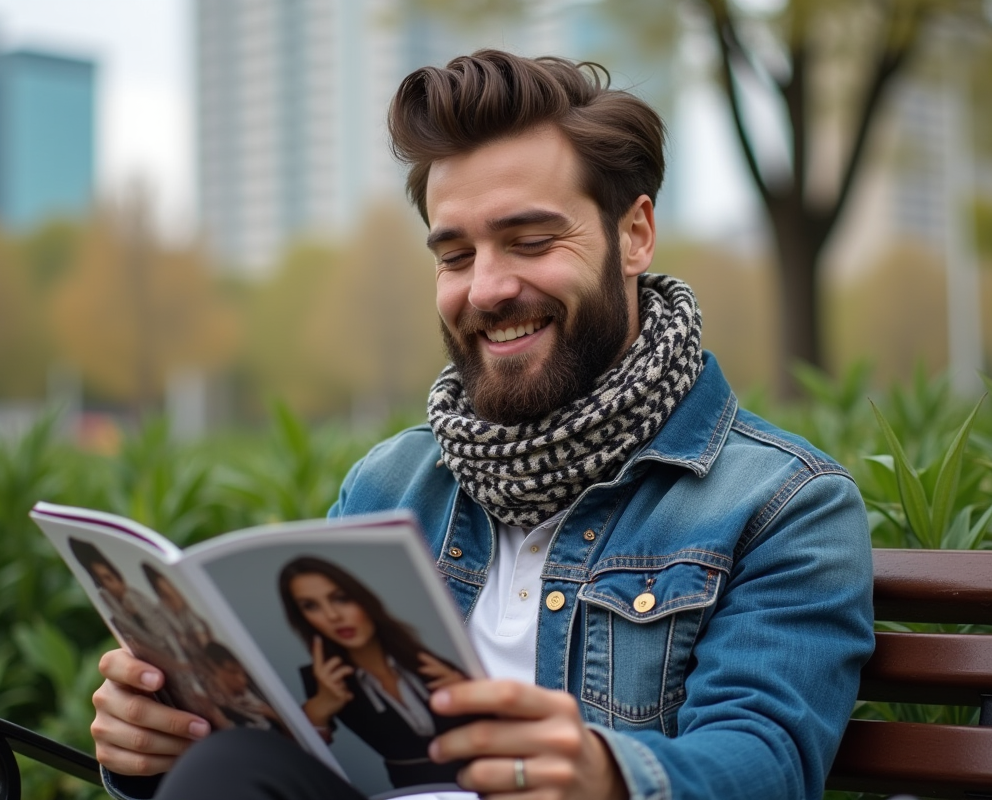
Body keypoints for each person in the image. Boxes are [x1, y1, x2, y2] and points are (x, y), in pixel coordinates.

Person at [89, 49, 874, 800]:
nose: (488, 289)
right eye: (455, 255)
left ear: (634, 235)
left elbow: (769, 762)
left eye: (530, 241)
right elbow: (308, 735)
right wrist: (165, 737)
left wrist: (605, 776)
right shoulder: (391, 484)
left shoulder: (782, 503)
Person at [279, 556, 471, 788]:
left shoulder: (428, 659)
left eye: (341, 599)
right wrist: (319, 707)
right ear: (303, 618)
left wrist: (468, 697)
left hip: (482, 780)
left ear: (363, 599)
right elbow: (292, 762)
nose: (332, 616)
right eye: (311, 606)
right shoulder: (320, 681)